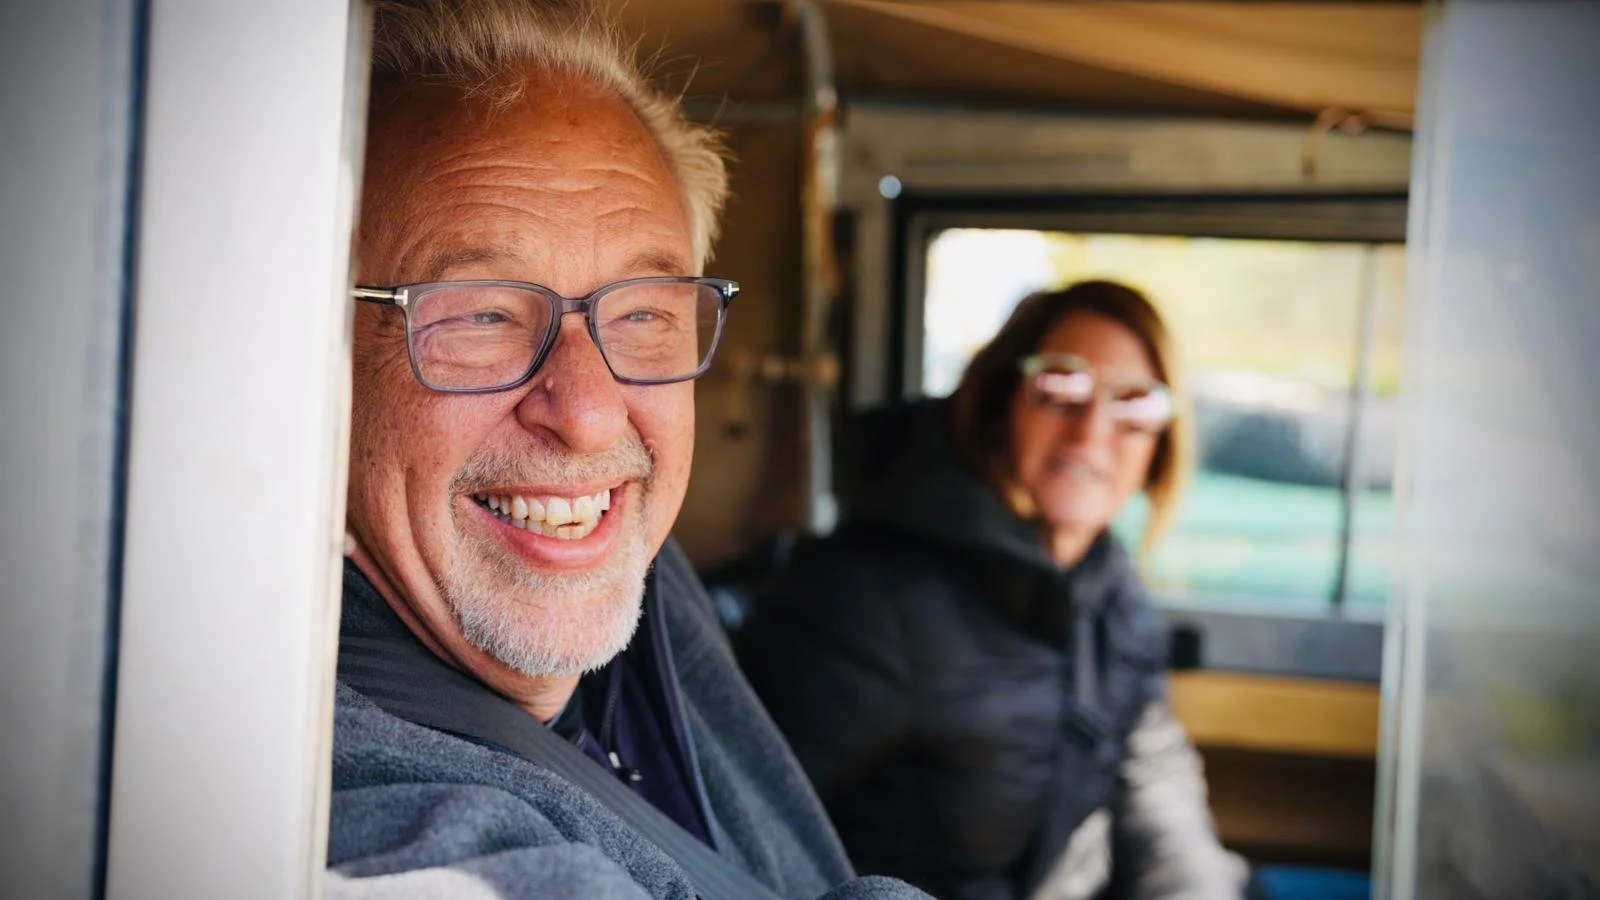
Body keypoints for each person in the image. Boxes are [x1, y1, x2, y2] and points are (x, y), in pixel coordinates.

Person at [327, 2, 925, 898]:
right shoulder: (337, 780)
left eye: (643, 313)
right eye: (483, 315)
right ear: (320, 361)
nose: (592, 416)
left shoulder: (623, 562)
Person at [740, 281, 1250, 900]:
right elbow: (744, 821)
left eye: (1134, 403)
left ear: (1160, 443)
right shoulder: (870, 599)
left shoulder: (1114, 594)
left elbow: (1159, 799)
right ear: (1002, 401)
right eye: (1060, 386)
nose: (1091, 432)